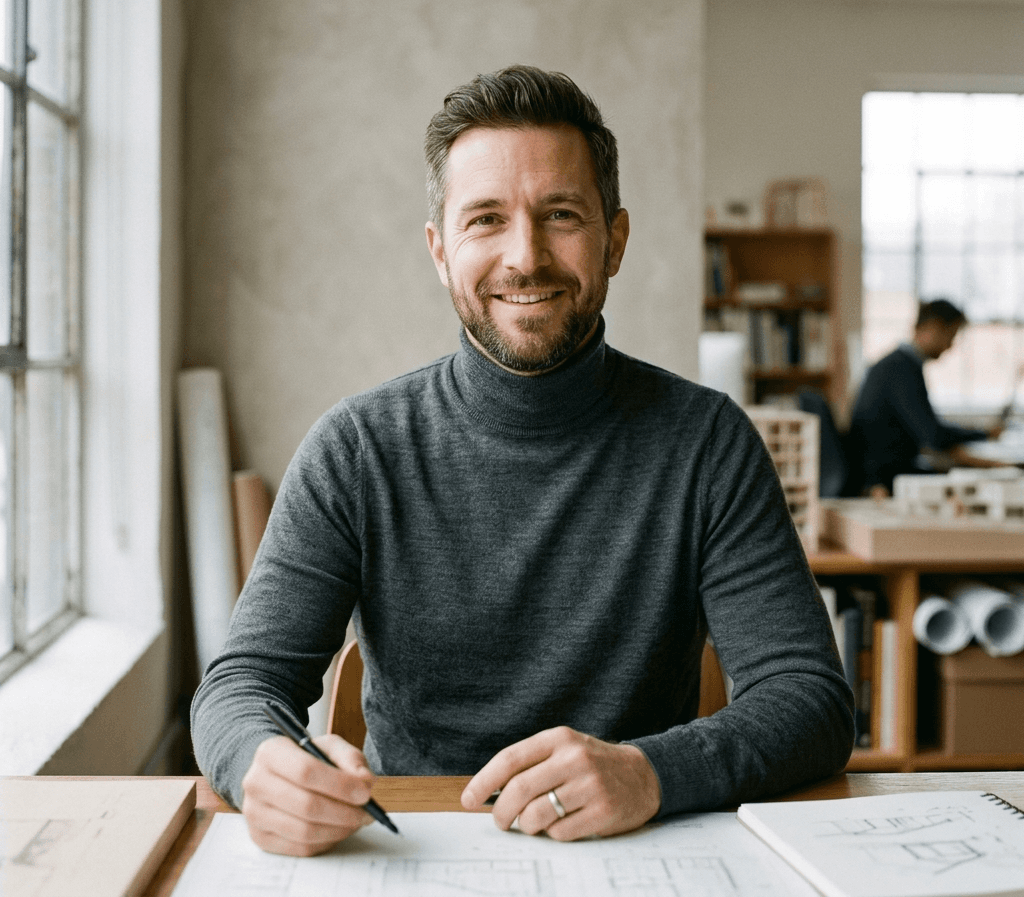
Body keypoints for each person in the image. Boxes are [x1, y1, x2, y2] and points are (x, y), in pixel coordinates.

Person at [191, 65, 854, 856]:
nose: (525, 256)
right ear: (441, 251)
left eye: (562, 214)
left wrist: (651, 772)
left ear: (615, 240)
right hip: (413, 849)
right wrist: (261, 763)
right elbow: (239, 688)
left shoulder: (707, 442)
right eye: (486, 220)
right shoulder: (356, 448)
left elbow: (810, 699)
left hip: (640, 852)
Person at [848, 299, 1005, 498]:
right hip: (883, 479)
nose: (950, 346)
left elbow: (927, 431)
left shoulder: (897, 364)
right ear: (932, 328)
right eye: (951, 335)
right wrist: (985, 434)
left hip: (882, 471)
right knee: (975, 487)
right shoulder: (901, 370)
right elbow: (933, 436)